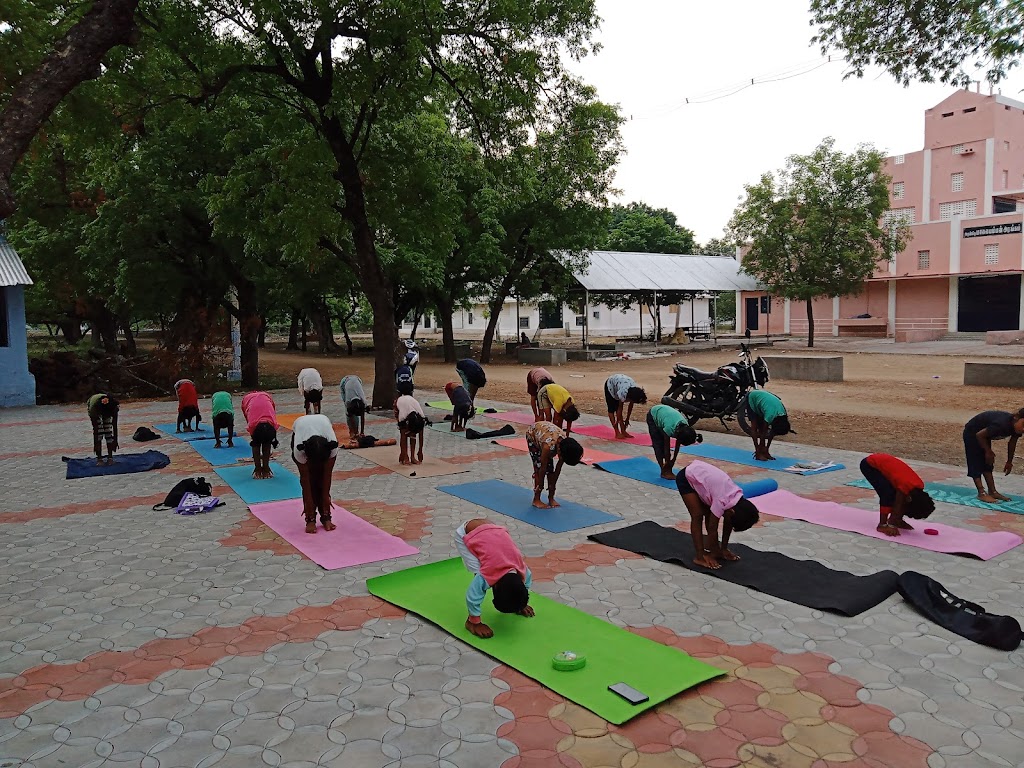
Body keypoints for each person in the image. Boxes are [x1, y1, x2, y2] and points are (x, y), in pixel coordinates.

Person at [455, 518, 534, 639]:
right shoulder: (487, 575)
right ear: (494, 586)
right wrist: (476, 621)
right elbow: (472, 597)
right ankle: (470, 623)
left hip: (493, 529)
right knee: (477, 572)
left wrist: (520, 603)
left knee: (488, 563)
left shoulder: (523, 570)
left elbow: (523, 586)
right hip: (467, 533)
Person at [676, 459, 760, 570]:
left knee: (709, 514)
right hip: (687, 476)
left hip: (704, 479)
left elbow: (728, 521)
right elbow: (712, 528)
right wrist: (714, 552)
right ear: (732, 512)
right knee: (697, 516)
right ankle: (699, 557)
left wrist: (723, 549)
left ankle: (713, 549)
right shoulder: (722, 500)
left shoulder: (736, 498)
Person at [859, 453, 936, 537]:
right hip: (869, 465)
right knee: (887, 494)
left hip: (882, 461)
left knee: (896, 497)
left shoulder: (918, 488)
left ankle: (897, 520)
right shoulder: (906, 486)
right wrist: (891, 524)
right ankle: (881, 525)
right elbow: (897, 504)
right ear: (909, 499)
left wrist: (896, 520)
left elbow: (902, 504)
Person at [291, 414, 339, 534]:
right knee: (310, 481)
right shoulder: (299, 450)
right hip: (301, 428)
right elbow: (305, 481)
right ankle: (310, 518)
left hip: (322, 428)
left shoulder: (332, 446)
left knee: (322, 478)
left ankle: (325, 516)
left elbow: (327, 478)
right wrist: (310, 514)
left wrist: (326, 504)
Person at [962, 409, 1024, 502]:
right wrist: (988, 451)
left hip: (984, 436)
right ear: (1016, 418)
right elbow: (979, 435)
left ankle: (992, 491)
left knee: (988, 463)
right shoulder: (1001, 424)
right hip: (972, 432)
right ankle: (981, 492)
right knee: (975, 461)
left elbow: (1012, 443)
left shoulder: (1017, 428)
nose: (1023, 429)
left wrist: (1009, 461)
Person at [525, 421, 584, 508]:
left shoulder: (566, 445)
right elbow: (542, 468)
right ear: (559, 450)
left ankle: (550, 498)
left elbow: (558, 469)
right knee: (539, 468)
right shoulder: (548, 446)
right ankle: (536, 499)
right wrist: (540, 485)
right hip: (533, 434)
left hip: (547, 434)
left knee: (550, 470)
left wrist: (553, 486)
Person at [647, 403, 700, 480]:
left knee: (663, 448)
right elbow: (667, 447)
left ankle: (666, 470)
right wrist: (668, 463)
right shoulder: (669, 428)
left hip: (665, 415)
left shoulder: (685, 426)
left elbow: (677, 444)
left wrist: (673, 459)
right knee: (658, 443)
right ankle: (663, 471)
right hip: (654, 414)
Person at [739, 389, 793, 461]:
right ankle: (758, 453)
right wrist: (759, 449)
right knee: (756, 427)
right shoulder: (770, 416)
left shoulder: (782, 415)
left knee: (762, 429)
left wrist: (766, 449)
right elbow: (763, 433)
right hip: (753, 397)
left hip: (765, 402)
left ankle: (764, 452)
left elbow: (772, 433)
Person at [242, 391, 279, 479]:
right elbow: (273, 411)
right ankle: (265, 468)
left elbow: (247, 416)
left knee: (256, 444)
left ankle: (258, 469)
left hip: (255, 422)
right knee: (267, 444)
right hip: (268, 421)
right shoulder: (267, 396)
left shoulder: (246, 399)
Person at [604, 373, 647, 439]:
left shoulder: (634, 391)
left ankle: (623, 431)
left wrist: (627, 419)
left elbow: (631, 406)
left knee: (618, 414)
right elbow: (620, 408)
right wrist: (617, 420)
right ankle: (617, 432)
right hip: (610, 385)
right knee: (612, 409)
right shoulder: (623, 392)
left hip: (620, 383)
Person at [87, 393, 119, 466]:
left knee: (108, 432)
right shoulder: (93, 408)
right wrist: (96, 443)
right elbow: (96, 430)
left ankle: (110, 458)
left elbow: (114, 425)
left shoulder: (113, 407)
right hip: (95, 409)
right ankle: (99, 458)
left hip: (106, 408)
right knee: (99, 433)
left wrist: (115, 440)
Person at [395, 394, 426, 465]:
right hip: (399, 404)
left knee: (413, 433)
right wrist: (403, 453)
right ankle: (406, 457)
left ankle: (412, 457)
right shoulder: (403, 417)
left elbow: (421, 436)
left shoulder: (421, 419)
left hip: (412, 406)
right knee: (404, 433)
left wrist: (420, 451)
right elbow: (402, 436)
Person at [339, 375, 367, 439]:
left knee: (354, 414)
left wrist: (362, 432)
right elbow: (350, 415)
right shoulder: (348, 402)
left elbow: (363, 417)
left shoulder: (363, 402)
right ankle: (351, 431)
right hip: (344, 382)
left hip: (357, 379)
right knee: (349, 413)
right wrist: (354, 432)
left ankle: (356, 431)